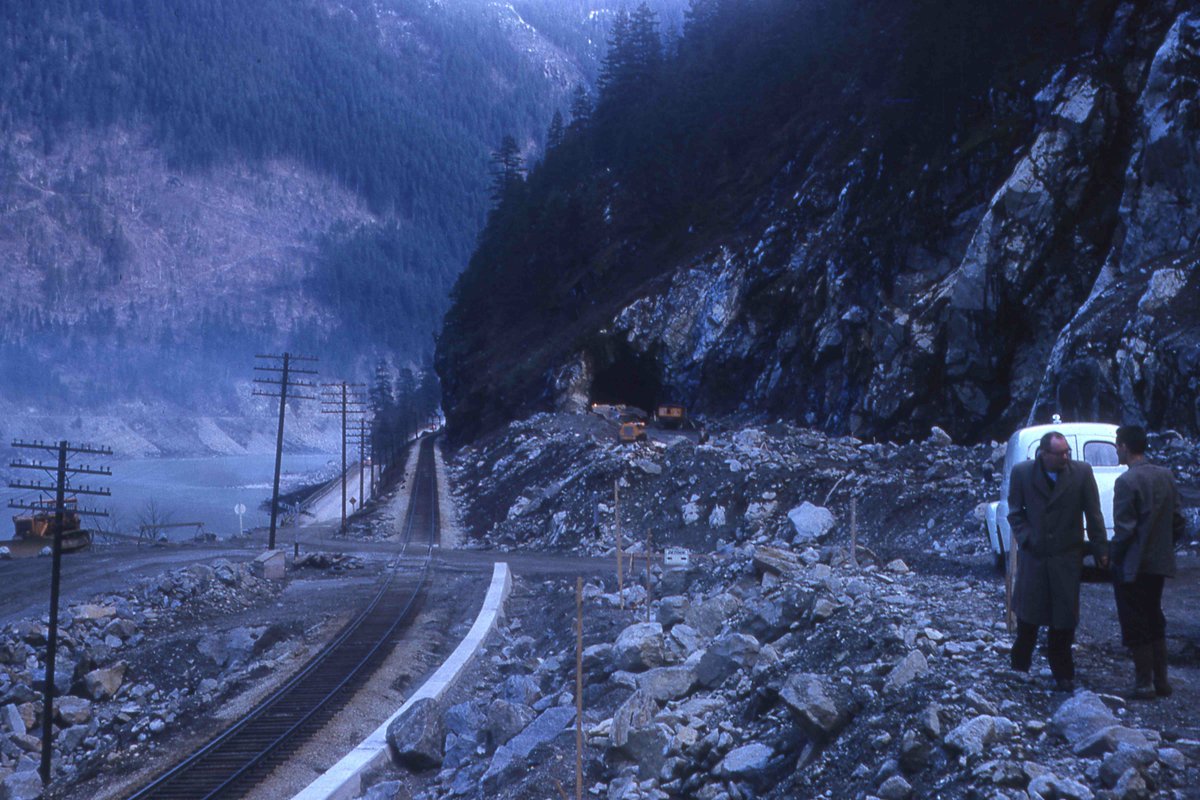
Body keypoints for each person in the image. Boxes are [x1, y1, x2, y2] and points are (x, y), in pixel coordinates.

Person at [1007, 431, 1108, 691]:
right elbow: (1015, 513)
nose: (1065, 457)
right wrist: (1028, 538)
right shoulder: (1022, 473)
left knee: (1064, 621)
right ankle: (1019, 667)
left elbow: (1093, 513)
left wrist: (1100, 549)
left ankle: (1063, 673)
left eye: (1067, 452)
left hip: (1066, 558)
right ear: (1044, 453)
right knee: (1028, 618)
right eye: (1060, 453)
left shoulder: (1081, 473)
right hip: (1035, 558)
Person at [1110, 425, 1186, 699]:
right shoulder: (1166, 475)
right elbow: (1178, 520)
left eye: (1117, 446)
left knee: (1135, 621)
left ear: (1124, 447)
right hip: (1159, 563)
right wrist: (1164, 545)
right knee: (1155, 617)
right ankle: (1162, 681)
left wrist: (1112, 556)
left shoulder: (1126, 482)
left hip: (1133, 564)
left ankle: (1144, 683)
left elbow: (1125, 530)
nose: (1117, 450)